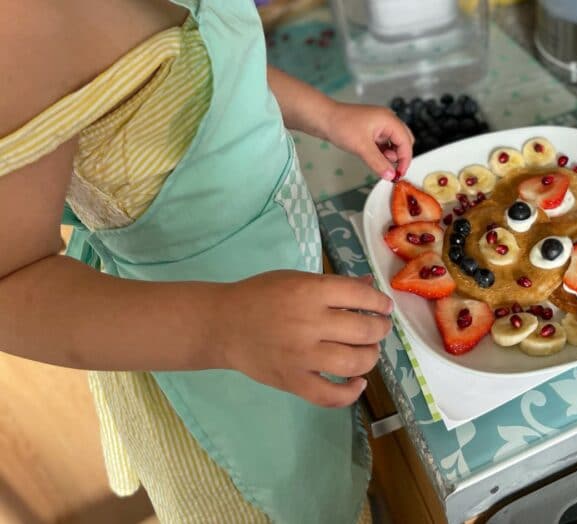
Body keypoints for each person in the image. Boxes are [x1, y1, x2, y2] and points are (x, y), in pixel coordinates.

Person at [0, 0, 414, 522]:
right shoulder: (20, 23)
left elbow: (211, 61)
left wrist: (326, 115)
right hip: (205, 373)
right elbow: (10, 283)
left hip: (282, 311)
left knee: (323, 478)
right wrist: (221, 325)